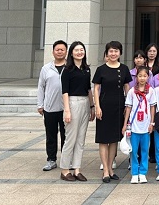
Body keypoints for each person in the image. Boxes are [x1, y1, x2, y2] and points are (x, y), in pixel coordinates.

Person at [92, 41, 132, 183]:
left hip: (119, 107)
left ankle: (110, 168)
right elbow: (96, 88)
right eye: (111, 51)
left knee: (114, 139)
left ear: (120, 53)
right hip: (104, 107)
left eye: (116, 51)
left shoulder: (124, 68)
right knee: (103, 139)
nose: (113, 54)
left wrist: (128, 105)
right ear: (107, 53)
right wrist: (97, 106)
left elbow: (127, 87)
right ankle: (105, 171)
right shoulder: (101, 69)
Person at [59, 41, 95, 182]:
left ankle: (77, 169)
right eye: (77, 50)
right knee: (71, 139)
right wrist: (67, 110)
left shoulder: (86, 69)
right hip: (72, 103)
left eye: (82, 50)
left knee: (80, 139)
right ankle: (65, 170)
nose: (80, 52)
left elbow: (88, 89)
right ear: (71, 53)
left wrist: (92, 106)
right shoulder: (67, 70)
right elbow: (65, 91)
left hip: (85, 103)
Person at [123, 66, 157, 184]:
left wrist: (152, 123)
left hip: (146, 126)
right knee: (133, 151)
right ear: (136, 77)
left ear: (148, 77)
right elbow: (128, 108)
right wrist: (125, 124)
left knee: (144, 150)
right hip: (134, 126)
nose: (142, 78)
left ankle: (142, 172)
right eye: (140, 76)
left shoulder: (151, 91)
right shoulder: (132, 91)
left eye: (145, 76)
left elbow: (152, 107)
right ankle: (134, 172)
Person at [37, 40, 67, 172]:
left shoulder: (70, 67)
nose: (60, 52)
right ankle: (51, 160)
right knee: (51, 135)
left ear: (66, 52)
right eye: (57, 50)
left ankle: (66, 160)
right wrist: (40, 104)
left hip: (66, 108)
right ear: (53, 52)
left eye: (62, 49)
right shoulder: (46, 68)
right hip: (50, 107)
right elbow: (41, 87)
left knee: (66, 136)